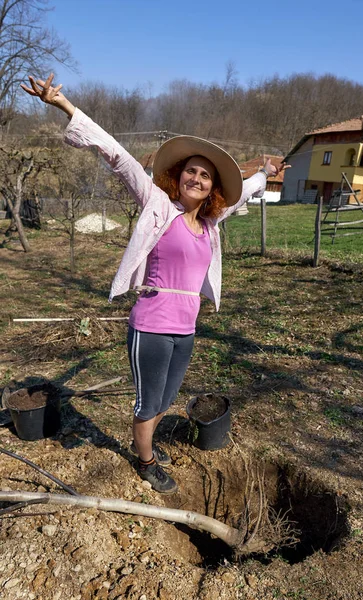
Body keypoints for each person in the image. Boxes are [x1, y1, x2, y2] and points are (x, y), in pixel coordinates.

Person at [21, 74, 289, 494]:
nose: (196, 179)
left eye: (204, 176)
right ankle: (144, 460)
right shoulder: (158, 206)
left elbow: (246, 192)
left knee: (165, 401)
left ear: (211, 188)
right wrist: (66, 106)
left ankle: (143, 442)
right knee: (148, 403)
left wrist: (267, 170)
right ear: (178, 177)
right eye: (190, 172)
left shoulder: (211, 222)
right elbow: (119, 156)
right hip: (151, 325)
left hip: (186, 329)